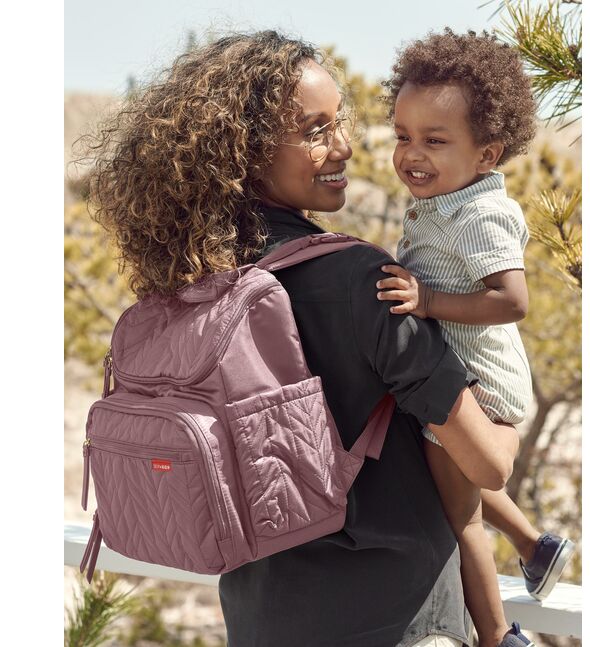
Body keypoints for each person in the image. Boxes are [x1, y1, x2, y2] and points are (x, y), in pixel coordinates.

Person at [87, 30, 526, 647]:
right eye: (316, 131)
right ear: (246, 150)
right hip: (398, 616)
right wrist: (509, 418)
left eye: (339, 122)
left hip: (261, 616)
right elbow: (489, 462)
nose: (344, 146)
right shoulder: (365, 282)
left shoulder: (196, 281)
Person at [375, 29, 574, 647]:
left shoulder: (478, 214)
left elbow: (513, 300)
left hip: (475, 383)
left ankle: (496, 636)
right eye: (403, 136)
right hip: (462, 372)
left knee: (458, 518)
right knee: (453, 482)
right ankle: (535, 546)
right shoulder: (446, 201)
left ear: (487, 154)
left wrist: (427, 301)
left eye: (435, 141)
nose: (412, 154)